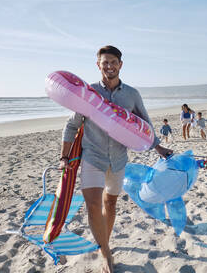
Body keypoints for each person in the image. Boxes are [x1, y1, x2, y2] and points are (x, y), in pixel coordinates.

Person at [59, 45, 172, 273]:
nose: (109, 66)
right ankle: (106, 253)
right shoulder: (88, 93)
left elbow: (145, 126)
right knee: (93, 206)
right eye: (104, 63)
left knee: (110, 203)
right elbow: (72, 126)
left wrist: (158, 147)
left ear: (120, 64)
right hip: (93, 157)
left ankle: (104, 242)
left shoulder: (132, 94)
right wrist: (64, 156)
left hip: (119, 159)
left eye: (113, 62)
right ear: (98, 65)